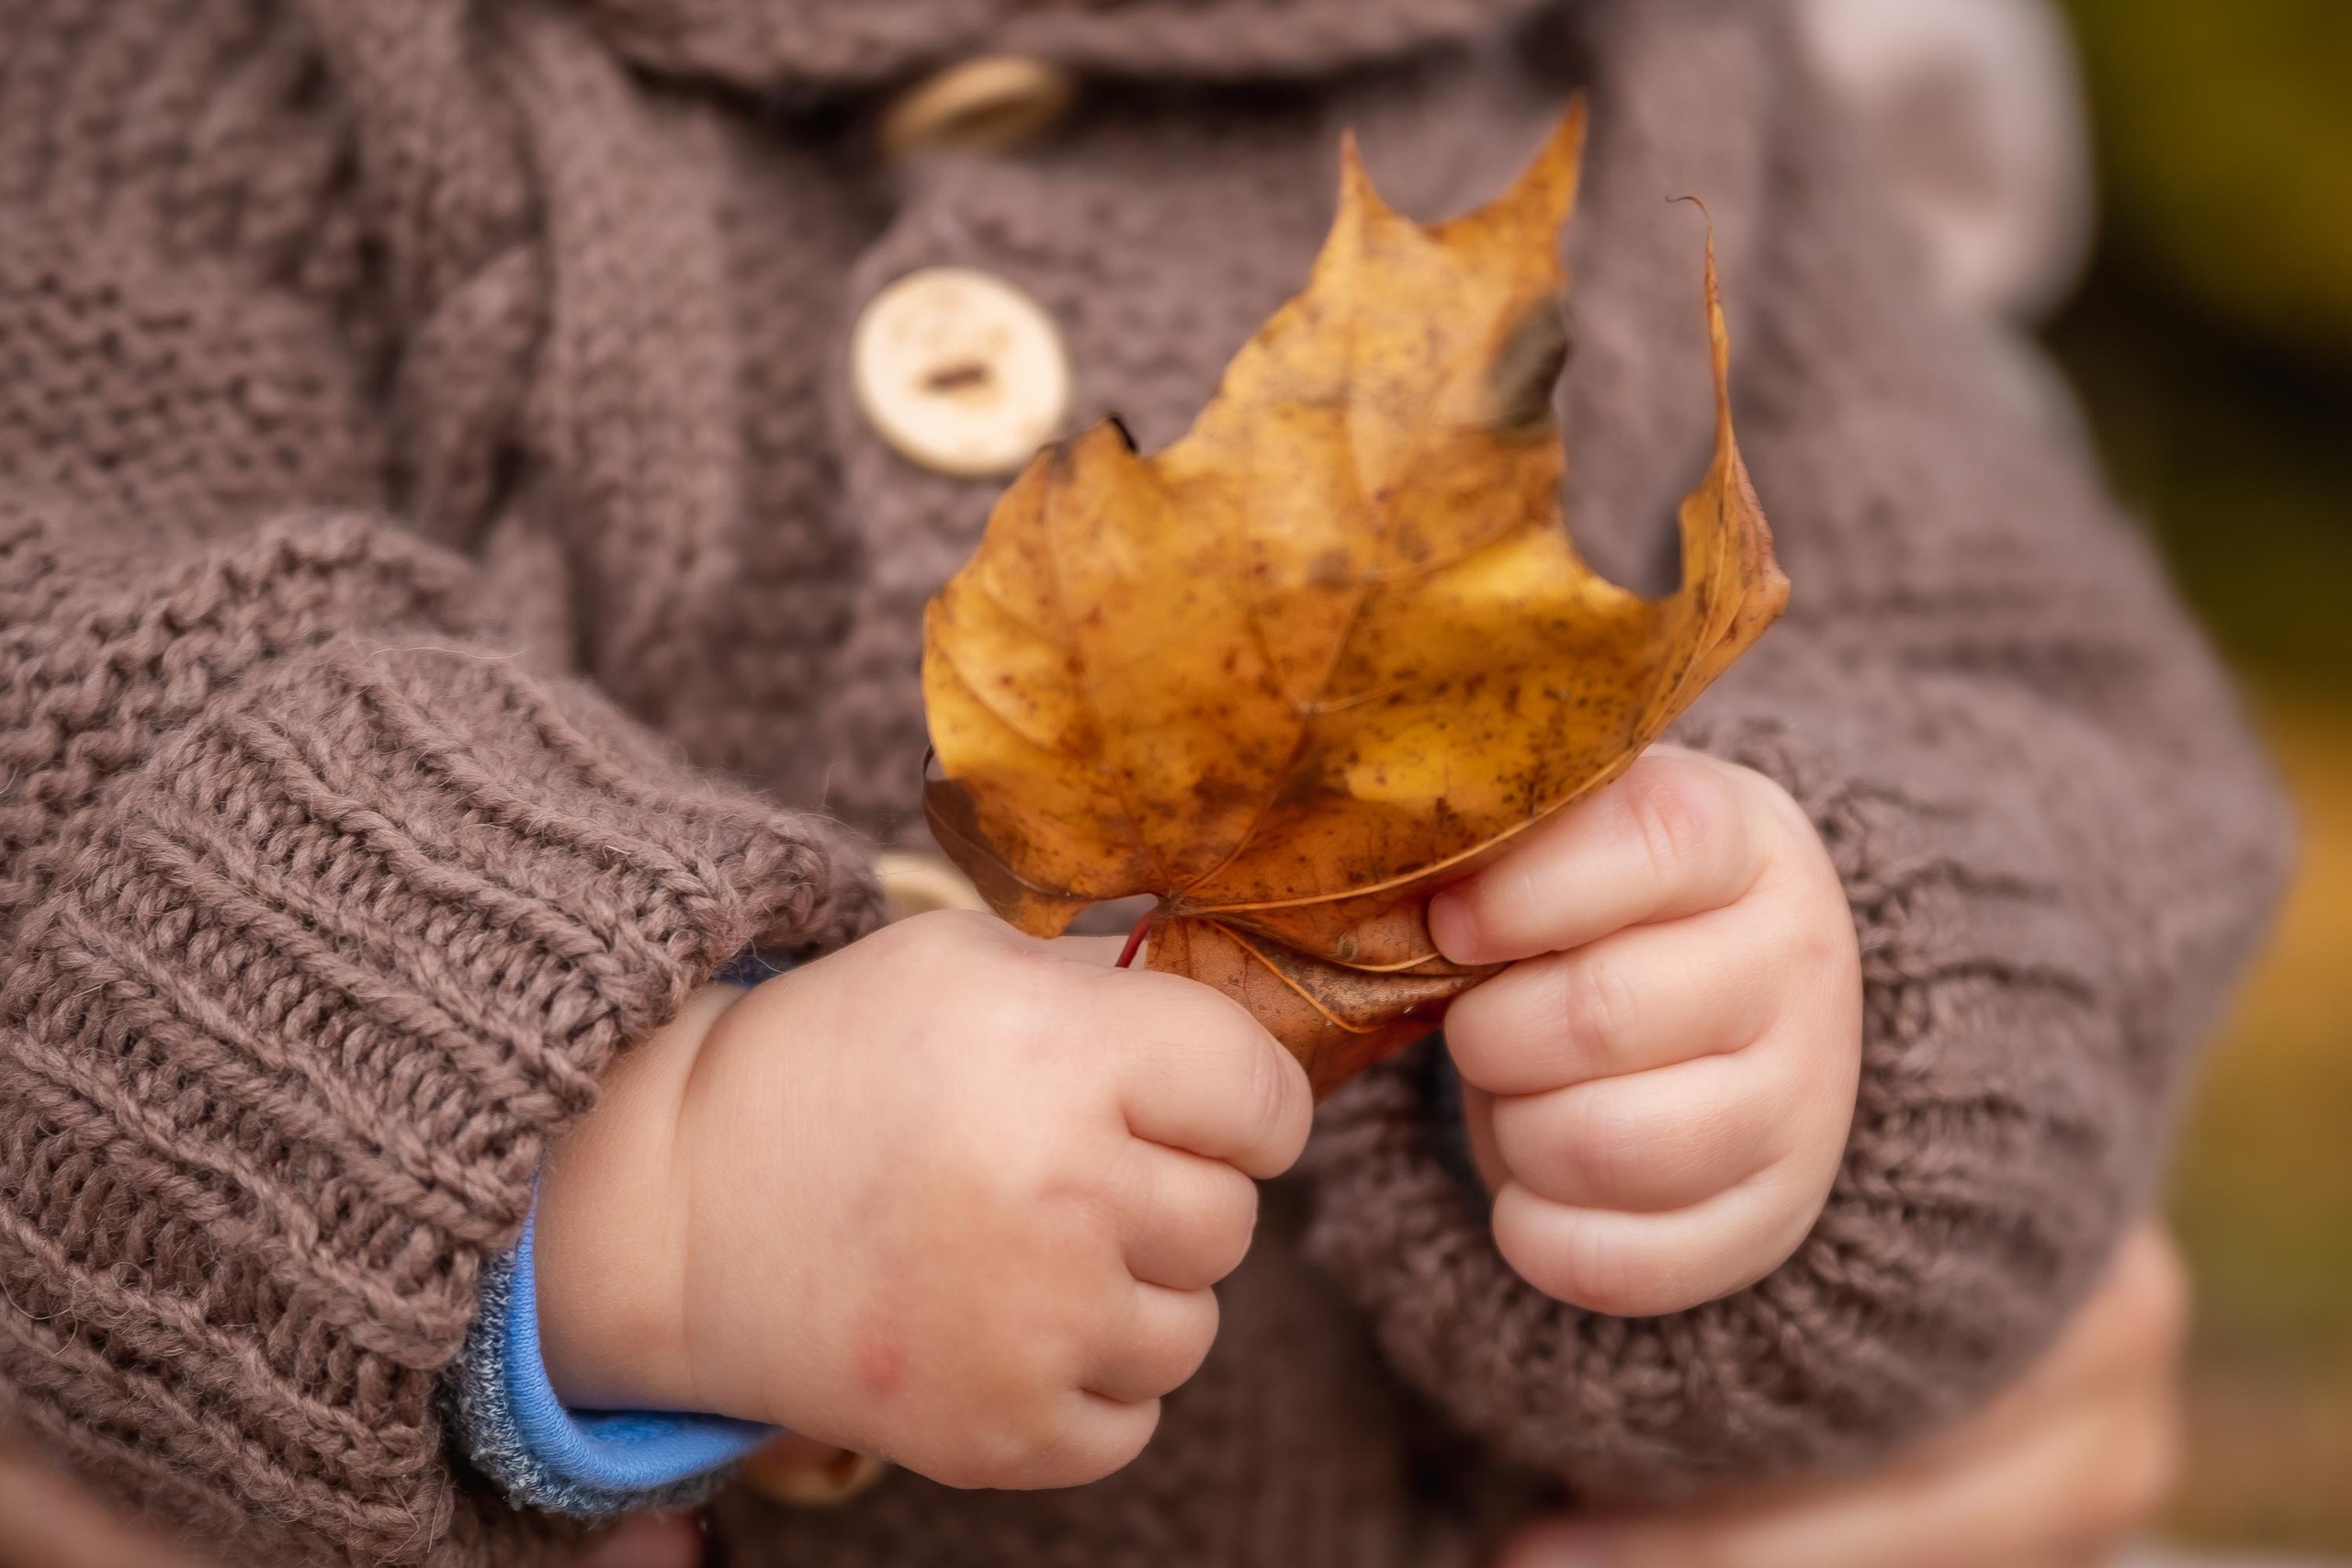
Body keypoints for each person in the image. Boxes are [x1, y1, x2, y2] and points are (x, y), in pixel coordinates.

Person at [0, 1, 2289, 1566]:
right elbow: (74, 671)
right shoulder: (234, 62)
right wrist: (625, 1169)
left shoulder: (1668, 75)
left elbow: (2055, 721)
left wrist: (1829, 1002)